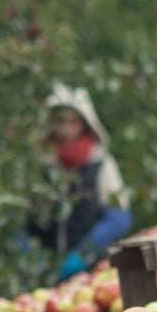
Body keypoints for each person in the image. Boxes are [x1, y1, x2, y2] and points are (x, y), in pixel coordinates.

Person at [30, 84, 133, 281]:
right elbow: (23, 218)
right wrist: (30, 253)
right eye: (60, 121)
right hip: (46, 274)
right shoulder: (41, 165)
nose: (65, 129)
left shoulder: (99, 163)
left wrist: (84, 253)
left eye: (73, 122)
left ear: (84, 124)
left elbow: (119, 217)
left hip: (93, 272)